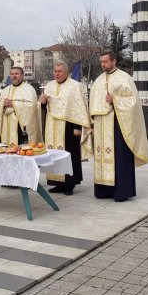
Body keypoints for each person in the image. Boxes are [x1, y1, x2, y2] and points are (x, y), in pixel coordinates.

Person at [89, 51, 148, 202]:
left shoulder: (124, 78)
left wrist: (115, 100)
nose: (103, 64)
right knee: (102, 157)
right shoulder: (98, 80)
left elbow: (133, 102)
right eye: (101, 62)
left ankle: (121, 191)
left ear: (114, 61)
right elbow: (92, 103)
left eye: (105, 61)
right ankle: (104, 191)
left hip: (118, 125)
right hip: (101, 126)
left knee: (119, 157)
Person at [39, 62, 91, 195]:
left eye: (60, 71)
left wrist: (78, 127)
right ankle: (57, 183)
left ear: (67, 73)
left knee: (69, 154)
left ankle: (69, 184)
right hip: (52, 126)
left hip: (68, 126)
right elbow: (43, 106)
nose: (57, 74)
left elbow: (79, 108)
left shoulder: (75, 86)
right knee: (53, 153)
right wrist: (43, 103)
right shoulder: (49, 86)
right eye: (55, 71)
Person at [0, 66, 41, 145]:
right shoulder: (5, 90)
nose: (14, 76)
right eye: (12, 74)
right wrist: (3, 104)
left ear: (22, 75)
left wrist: (13, 104)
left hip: (20, 127)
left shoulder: (29, 89)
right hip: (6, 126)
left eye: (17, 74)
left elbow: (32, 106)